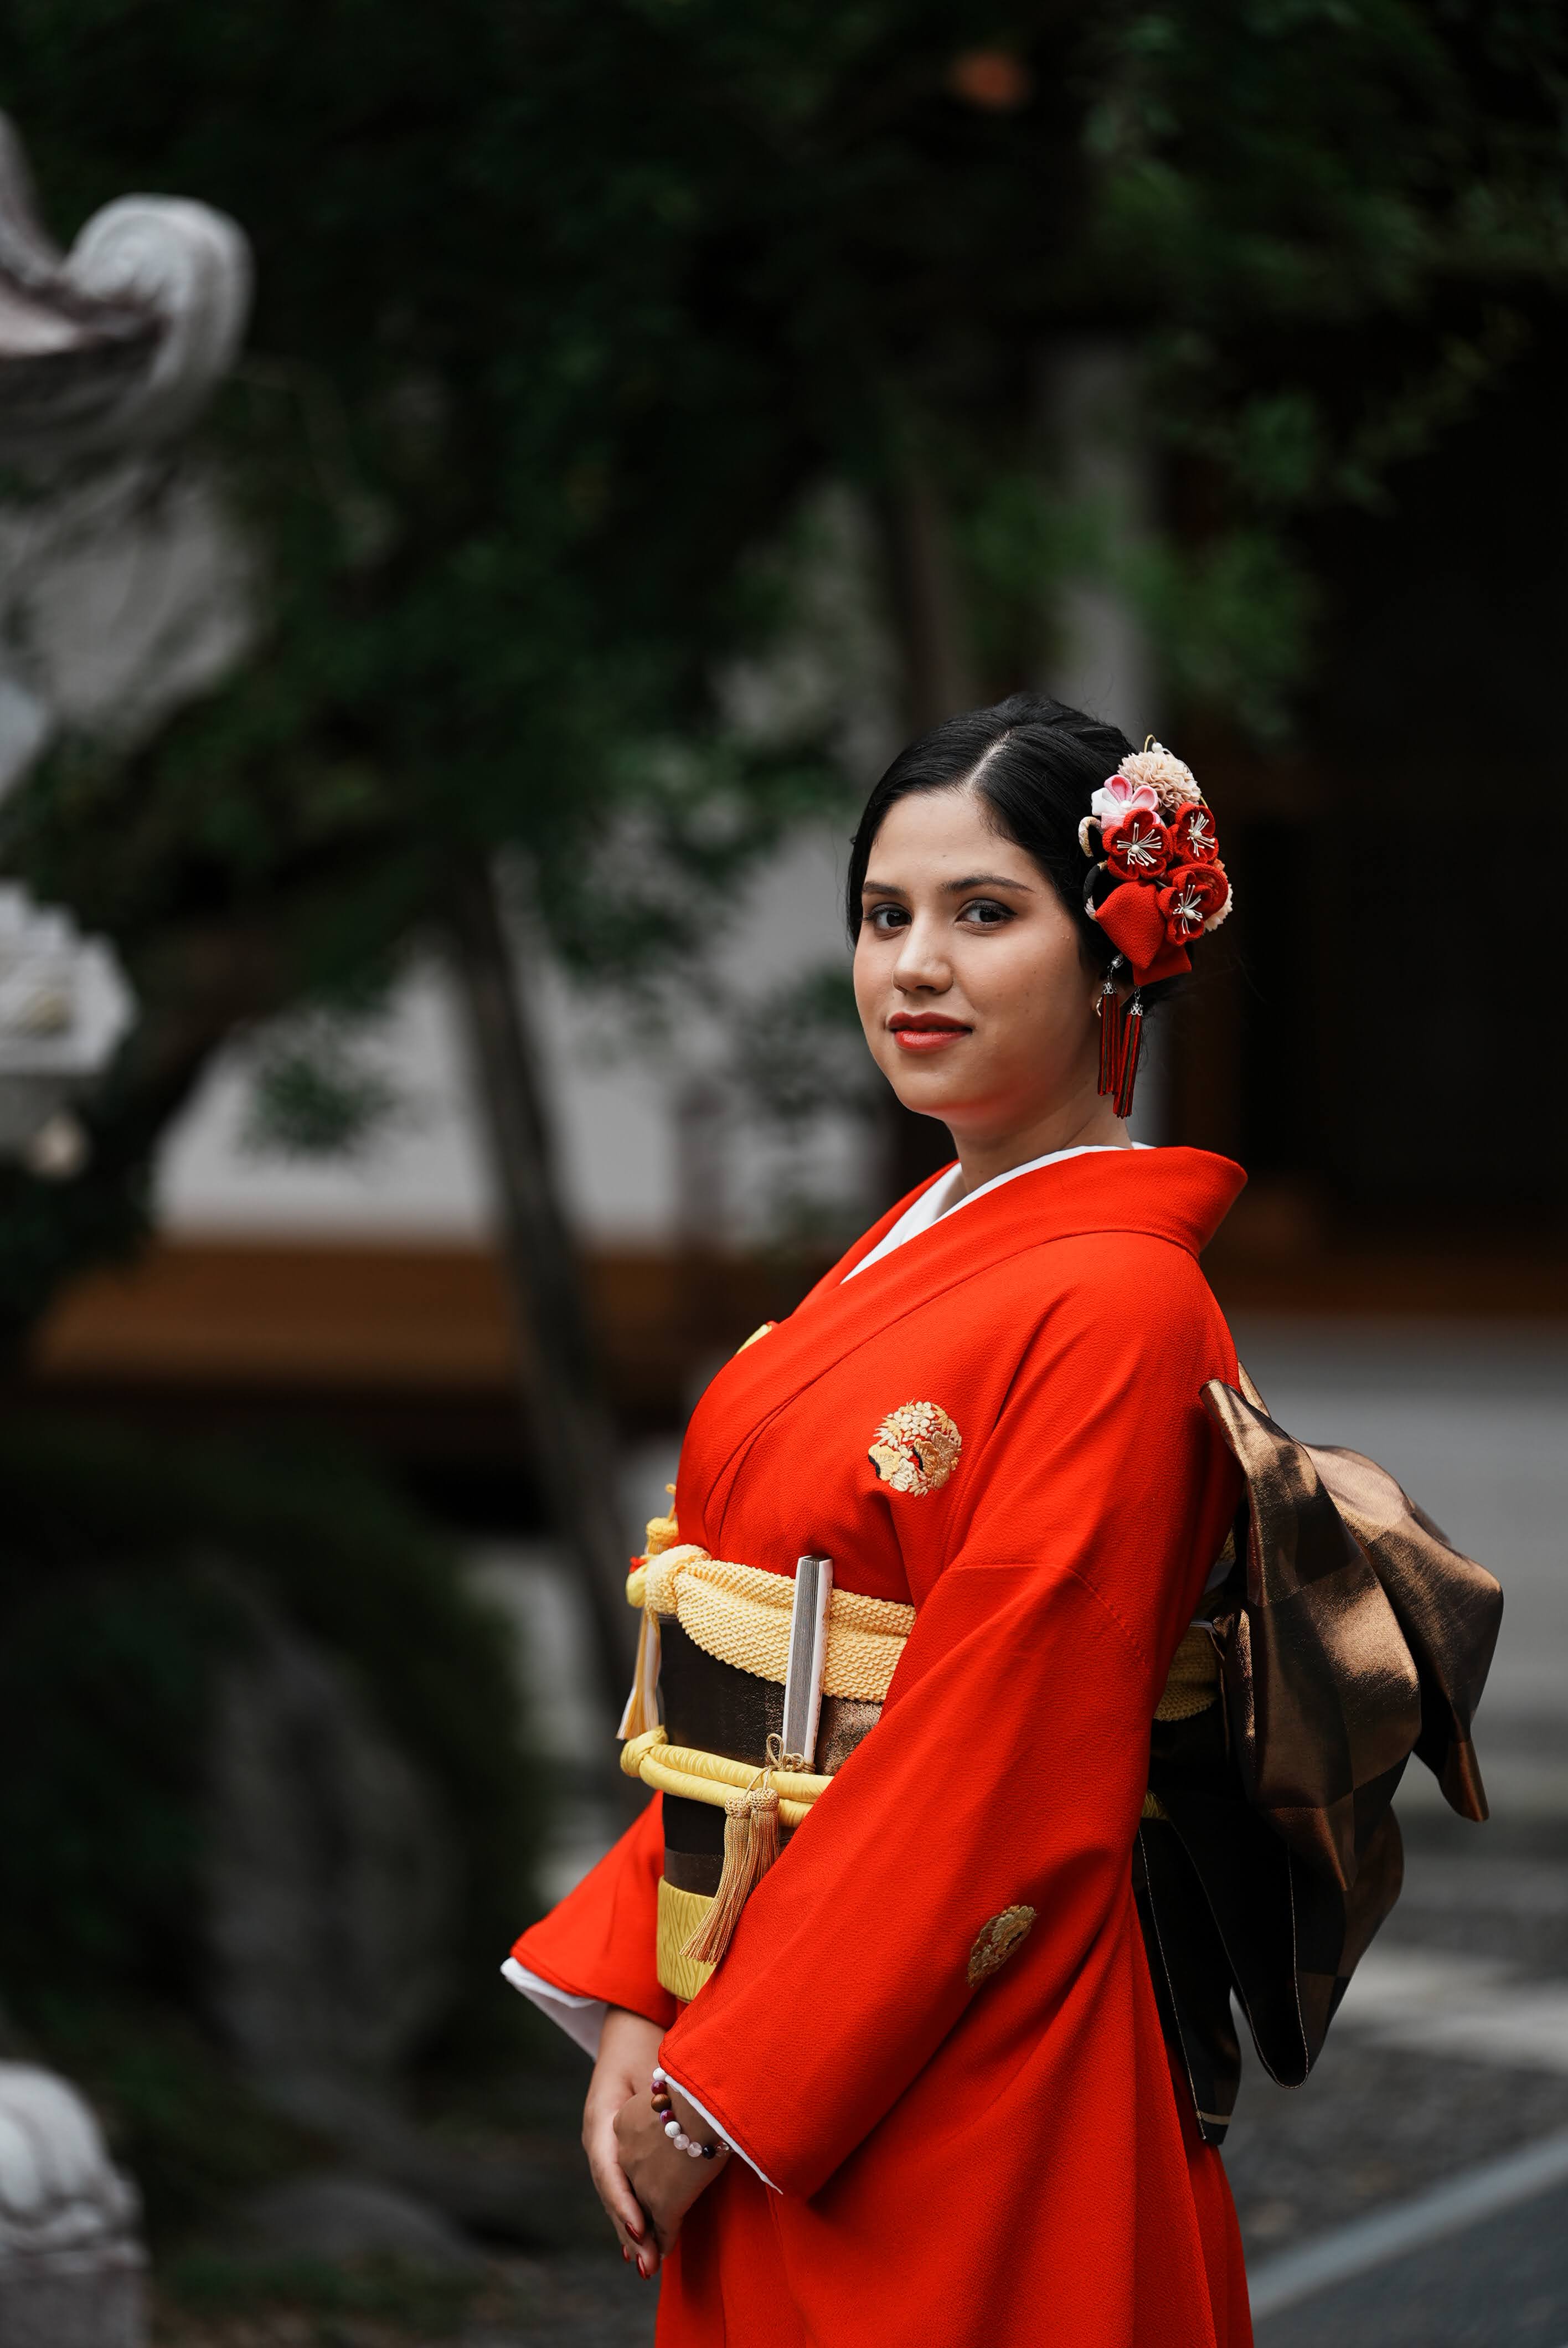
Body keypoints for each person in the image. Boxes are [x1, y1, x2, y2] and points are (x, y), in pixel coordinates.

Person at [502, 694, 1499, 2347]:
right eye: (884, 916)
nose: (915, 966)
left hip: (969, 2037)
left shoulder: (1120, 1306)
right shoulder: (921, 1239)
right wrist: (637, 1989)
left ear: (1117, 961)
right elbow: (736, 1693)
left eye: (986, 914)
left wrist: (719, 2095)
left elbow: (1001, 1747)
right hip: (760, 1993)